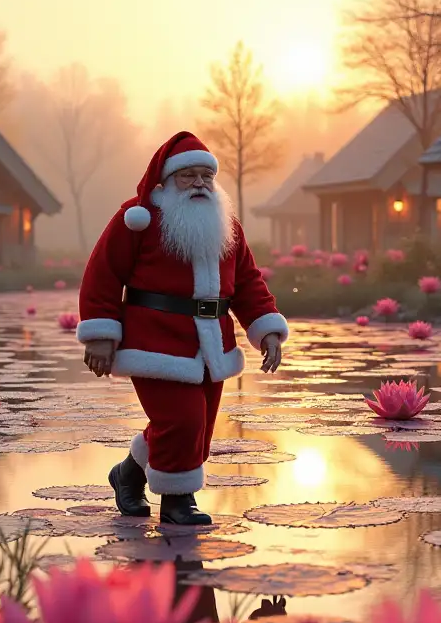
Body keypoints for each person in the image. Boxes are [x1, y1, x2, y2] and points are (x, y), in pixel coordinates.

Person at [77, 132, 289, 525]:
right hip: (155, 341)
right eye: (187, 175)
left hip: (212, 343)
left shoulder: (227, 226)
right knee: (182, 421)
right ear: (166, 180)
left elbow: (248, 283)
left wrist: (266, 329)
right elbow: (102, 276)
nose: (198, 184)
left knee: (198, 431)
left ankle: (127, 474)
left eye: (205, 176)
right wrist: (102, 336)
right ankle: (177, 504)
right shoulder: (137, 221)